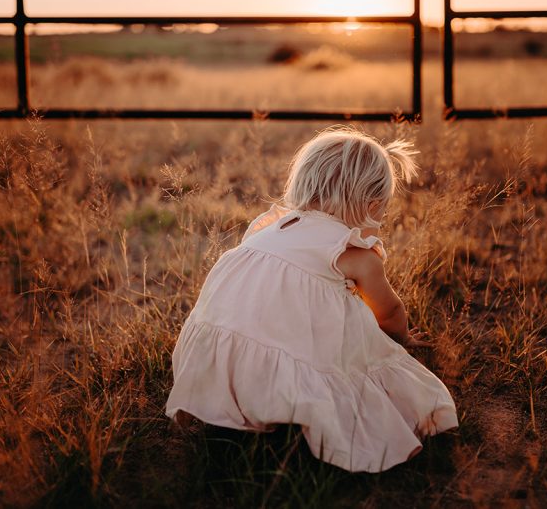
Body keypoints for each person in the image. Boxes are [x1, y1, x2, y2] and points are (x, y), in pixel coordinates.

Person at [165, 126, 458, 472]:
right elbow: (390, 311)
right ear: (373, 204)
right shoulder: (355, 254)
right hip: (272, 354)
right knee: (375, 371)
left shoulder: (271, 227)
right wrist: (400, 338)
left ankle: (241, 407)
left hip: (224, 351)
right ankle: (294, 410)